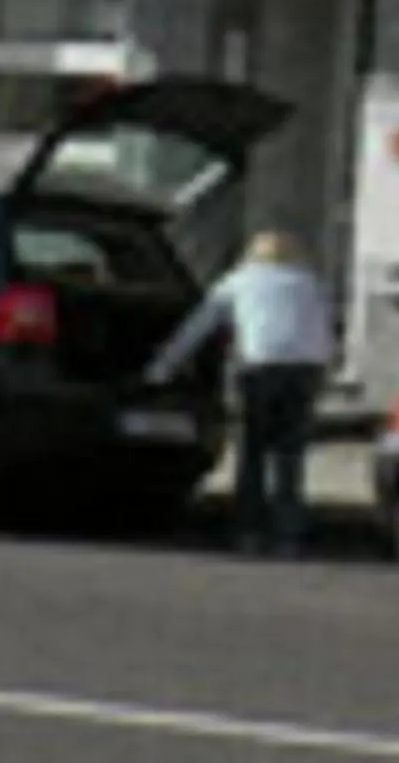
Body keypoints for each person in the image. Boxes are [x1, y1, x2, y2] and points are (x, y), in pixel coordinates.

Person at [145, 229, 336, 556]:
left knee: (253, 453)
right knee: (290, 457)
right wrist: (325, 374)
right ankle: (288, 536)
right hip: (305, 369)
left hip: (259, 367)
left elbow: (199, 326)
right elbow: (324, 328)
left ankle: (248, 532)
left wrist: (161, 369)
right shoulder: (309, 283)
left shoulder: (239, 280)